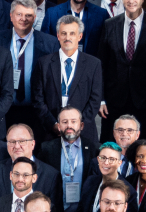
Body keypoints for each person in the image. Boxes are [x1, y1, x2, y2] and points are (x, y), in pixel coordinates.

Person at [97, 0, 146, 142]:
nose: (131, 1)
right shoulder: (109, 25)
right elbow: (102, 64)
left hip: (143, 101)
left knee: (141, 148)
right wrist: (101, 98)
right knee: (110, 145)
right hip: (113, 101)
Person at [34, 14, 102, 146]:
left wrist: (78, 125)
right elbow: (38, 99)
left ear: (80, 36)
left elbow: (95, 100)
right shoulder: (44, 63)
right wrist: (53, 124)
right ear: (58, 36)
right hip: (51, 130)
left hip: (84, 131)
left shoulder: (93, 64)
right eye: (63, 33)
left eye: (72, 33)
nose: (67, 37)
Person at [0, 0, 58, 137]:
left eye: (28, 15)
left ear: (35, 18)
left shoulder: (50, 43)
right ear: (11, 16)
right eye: (19, 14)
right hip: (4, 110)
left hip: (36, 110)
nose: (23, 19)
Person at [36, 106, 98, 212]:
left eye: (73, 121)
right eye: (64, 122)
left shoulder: (93, 149)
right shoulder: (46, 149)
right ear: (59, 126)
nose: (69, 125)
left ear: (81, 125)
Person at [42, 0, 109, 53]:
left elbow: (105, 48)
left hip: (90, 64)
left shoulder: (101, 15)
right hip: (59, 63)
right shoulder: (52, 13)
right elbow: (44, 46)